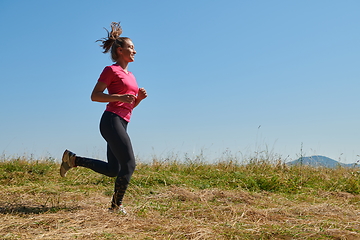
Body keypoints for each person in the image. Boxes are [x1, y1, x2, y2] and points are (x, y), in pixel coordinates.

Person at [60, 22, 147, 214]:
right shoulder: (111, 70)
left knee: (113, 169)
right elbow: (95, 95)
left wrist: (137, 100)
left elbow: (129, 105)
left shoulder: (131, 75)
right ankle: (116, 207)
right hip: (111, 121)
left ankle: (73, 160)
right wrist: (119, 97)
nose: (135, 51)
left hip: (122, 122)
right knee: (129, 164)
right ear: (120, 50)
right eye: (131, 47)